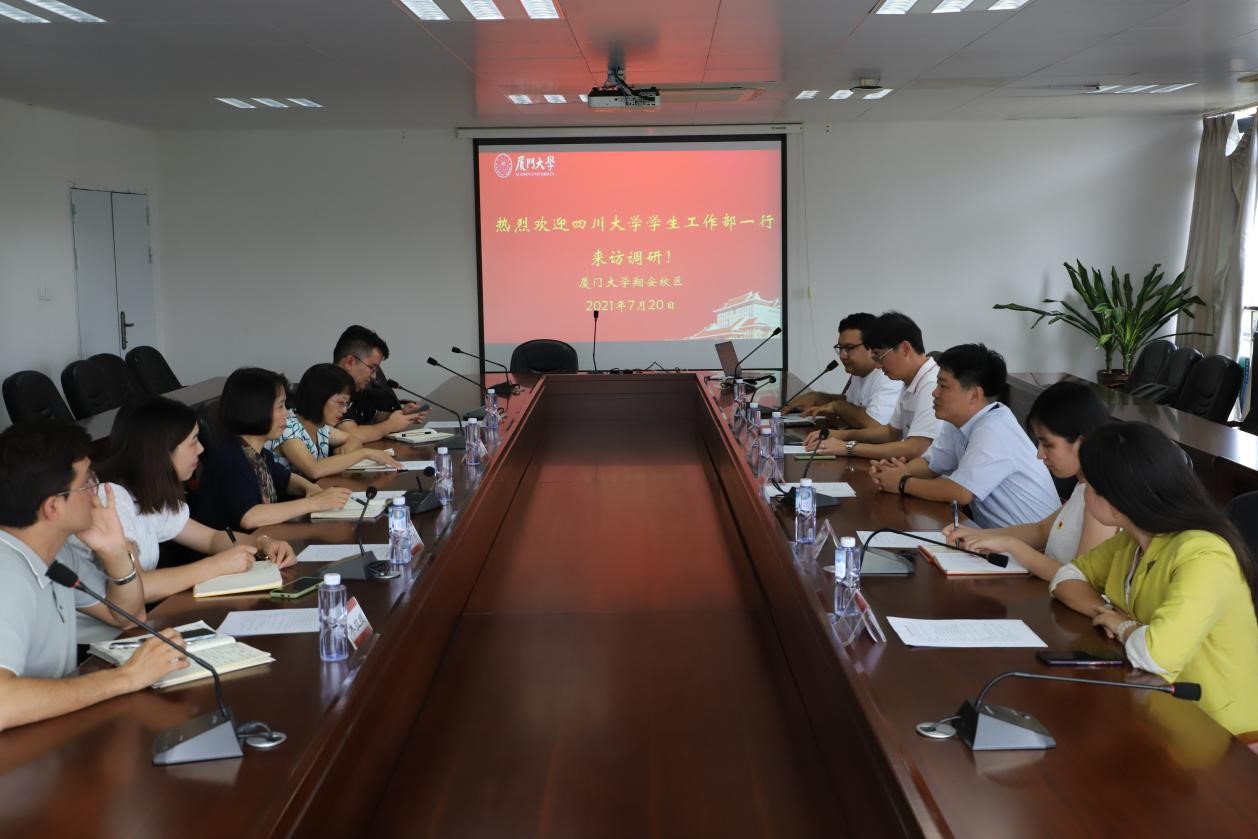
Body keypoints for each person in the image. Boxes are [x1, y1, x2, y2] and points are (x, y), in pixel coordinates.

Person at [1050, 421, 1258, 739]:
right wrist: (1105, 613)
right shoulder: (1135, 539)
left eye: (1088, 486)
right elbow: (1067, 578)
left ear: (1115, 499)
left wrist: (1122, 626)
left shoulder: (1205, 556)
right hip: (1159, 708)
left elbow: (1155, 655)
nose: (1083, 493)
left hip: (1220, 732)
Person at [61, 396, 300, 642]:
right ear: (161, 451)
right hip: (100, 642)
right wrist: (216, 566)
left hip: (131, 629)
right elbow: (140, 585)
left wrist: (262, 543)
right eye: (193, 441)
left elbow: (210, 538)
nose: (201, 449)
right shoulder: (111, 498)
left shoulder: (149, 493)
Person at [0, 423, 189, 731]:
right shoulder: (6, 576)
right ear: (52, 507)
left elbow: (127, 616)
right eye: (87, 482)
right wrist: (126, 677)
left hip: (49, 731)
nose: (97, 491)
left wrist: (114, 552)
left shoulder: (57, 551)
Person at [869, 343, 1059, 528]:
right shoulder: (959, 420)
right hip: (993, 536)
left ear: (974, 395)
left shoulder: (995, 428)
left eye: (943, 386)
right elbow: (931, 464)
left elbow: (960, 493)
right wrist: (896, 473)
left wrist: (902, 483)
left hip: (1030, 544)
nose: (935, 392)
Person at [942, 380, 1117, 579]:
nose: (1040, 454)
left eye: (1048, 445)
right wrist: (979, 536)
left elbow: (1079, 579)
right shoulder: (1084, 486)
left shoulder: (1102, 499)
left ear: (1081, 442)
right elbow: (1040, 531)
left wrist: (1011, 545)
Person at [192, 367, 352, 531]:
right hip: (235, 545)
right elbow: (250, 517)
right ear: (256, 410)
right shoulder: (230, 459)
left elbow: (287, 479)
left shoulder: (258, 454)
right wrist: (313, 503)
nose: (287, 414)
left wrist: (311, 489)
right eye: (281, 406)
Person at [805, 311, 942, 460]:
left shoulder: (932, 384)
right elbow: (890, 432)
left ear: (905, 348)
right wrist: (839, 435)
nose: (877, 365)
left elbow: (915, 448)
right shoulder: (910, 380)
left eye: (879, 356)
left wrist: (848, 447)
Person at [269, 363, 402, 479]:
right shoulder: (288, 428)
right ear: (318, 399)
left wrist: (347, 448)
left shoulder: (320, 427)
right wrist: (365, 453)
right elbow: (315, 470)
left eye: (347, 404)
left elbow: (352, 438)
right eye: (340, 403)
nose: (344, 410)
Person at [787, 312, 902, 427]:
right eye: (840, 348)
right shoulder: (859, 372)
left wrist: (837, 406)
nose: (842, 355)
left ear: (872, 346)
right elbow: (850, 402)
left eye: (849, 348)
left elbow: (875, 424)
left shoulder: (889, 376)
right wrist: (818, 398)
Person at [332, 325, 426, 443]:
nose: (374, 376)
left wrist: (402, 414)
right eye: (372, 368)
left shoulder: (355, 387)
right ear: (350, 362)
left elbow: (372, 416)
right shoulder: (329, 386)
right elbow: (351, 435)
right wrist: (390, 425)